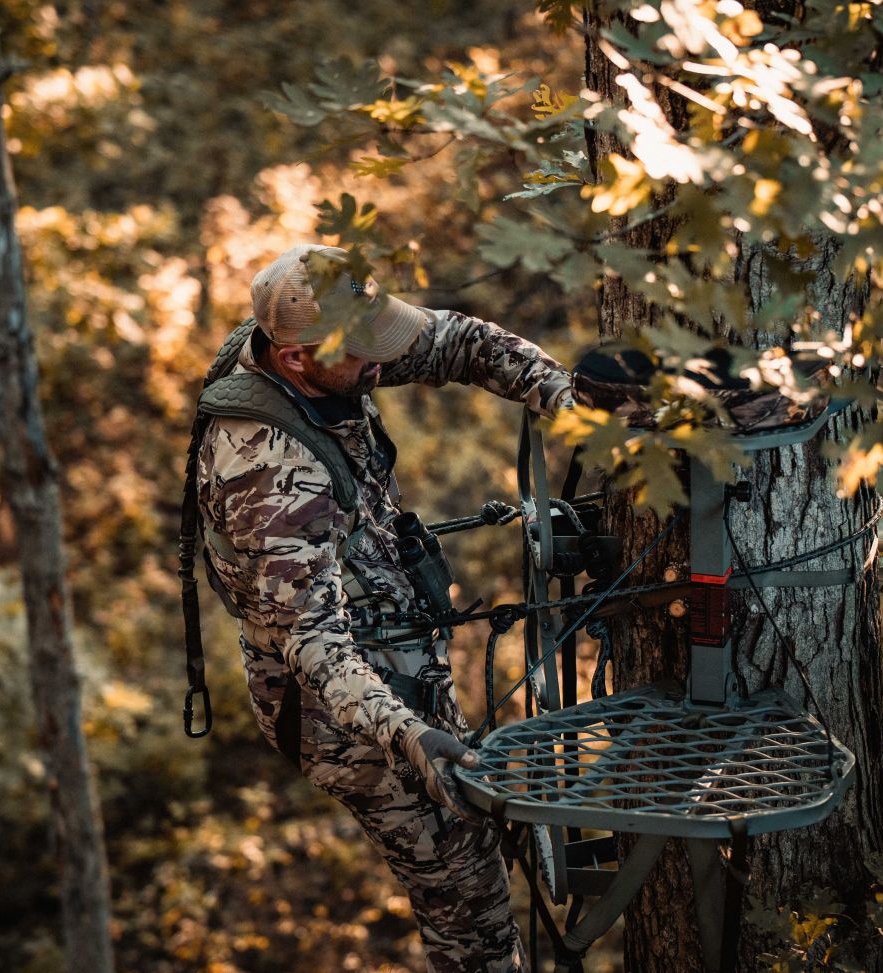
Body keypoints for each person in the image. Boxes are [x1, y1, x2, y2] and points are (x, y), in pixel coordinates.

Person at [193, 243, 573, 972]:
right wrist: (412, 738)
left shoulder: (325, 349)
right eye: (366, 354)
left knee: (476, 844)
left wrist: (563, 393)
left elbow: (457, 342)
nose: (382, 364)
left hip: (396, 664)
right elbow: (317, 652)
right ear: (298, 359)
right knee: (468, 899)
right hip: (341, 714)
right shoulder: (269, 474)